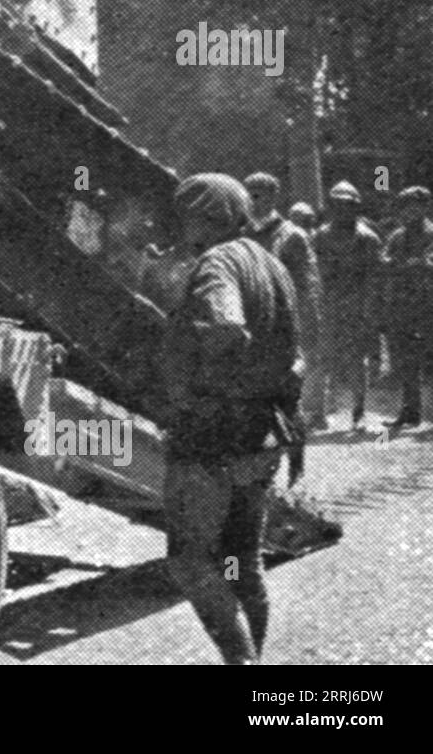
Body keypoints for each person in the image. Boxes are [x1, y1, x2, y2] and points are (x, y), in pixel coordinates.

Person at [159, 173, 305, 665]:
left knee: (188, 559)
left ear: (208, 217)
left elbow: (227, 329)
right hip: (262, 434)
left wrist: (194, 392)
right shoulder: (271, 264)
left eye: (187, 216)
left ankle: (240, 662)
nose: (182, 227)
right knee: (242, 562)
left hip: (212, 435)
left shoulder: (217, 261)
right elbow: (293, 353)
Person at [244, 173, 325, 429]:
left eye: (259, 195)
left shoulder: (292, 236)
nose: (253, 201)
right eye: (249, 195)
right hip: (249, 317)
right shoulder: (242, 232)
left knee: (287, 377)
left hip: (282, 319)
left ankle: (294, 426)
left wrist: (302, 322)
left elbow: (307, 283)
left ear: (273, 197)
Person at [314, 181, 383, 430]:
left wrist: (370, 312)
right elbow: (316, 273)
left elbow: (375, 279)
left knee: (356, 361)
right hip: (329, 304)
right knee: (323, 358)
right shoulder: (321, 235)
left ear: (355, 207)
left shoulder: (367, 238)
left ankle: (358, 411)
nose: (343, 210)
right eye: (338, 205)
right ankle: (321, 410)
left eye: (348, 205)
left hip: (358, 306)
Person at [380, 186, 433, 430]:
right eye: (405, 207)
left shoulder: (431, 234)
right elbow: (384, 261)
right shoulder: (397, 236)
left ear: (425, 207)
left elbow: (427, 264)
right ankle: (410, 411)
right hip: (401, 307)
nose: (409, 212)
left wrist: (406, 265)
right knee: (405, 362)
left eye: (414, 206)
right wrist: (408, 265)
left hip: (427, 306)